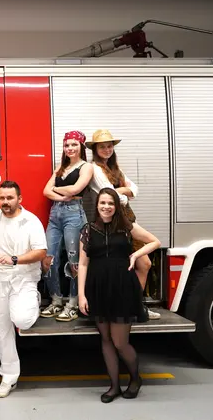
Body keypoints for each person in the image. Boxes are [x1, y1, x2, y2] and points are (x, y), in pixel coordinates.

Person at [78, 187, 160, 403]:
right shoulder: (87, 230)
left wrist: (135, 255)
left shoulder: (126, 226)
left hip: (122, 287)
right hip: (97, 288)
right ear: (97, 205)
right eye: (102, 203)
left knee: (120, 342)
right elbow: (83, 264)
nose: (106, 207)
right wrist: (81, 295)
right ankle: (114, 386)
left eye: (110, 203)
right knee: (105, 339)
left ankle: (135, 378)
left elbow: (155, 241)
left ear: (116, 206)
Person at [86, 129, 160, 320]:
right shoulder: (94, 169)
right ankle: (133, 307)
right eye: (102, 147)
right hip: (114, 222)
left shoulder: (114, 168)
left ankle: (134, 306)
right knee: (139, 264)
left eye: (109, 146)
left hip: (126, 218)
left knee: (143, 264)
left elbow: (135, 189)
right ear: (95, 150)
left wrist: (123, 191)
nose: (107, 149)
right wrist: (124, 192)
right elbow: (114, 197)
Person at [0, 181, 47, 398]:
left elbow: (40, 251)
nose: (5, 202)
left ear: (19, 199)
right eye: (2, 198)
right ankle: (9, 376)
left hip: (23, 278)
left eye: (10, 198)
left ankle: (34, 300)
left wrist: (15, 259)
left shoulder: (31, 221)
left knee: (22, 320)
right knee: (1, 331)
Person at [40, 130, 94, 322]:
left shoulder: (86, 167)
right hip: (55, 213)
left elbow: (76, 189)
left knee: (74, 260)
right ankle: (55, 301)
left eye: (74, 144)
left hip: (74, 213)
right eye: (66, 145)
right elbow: (45, 191)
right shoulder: (61, 167)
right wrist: (62, 195)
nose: (70, 148)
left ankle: (72, 303)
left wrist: (56, 189)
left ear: (81, 146)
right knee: (48, 258)